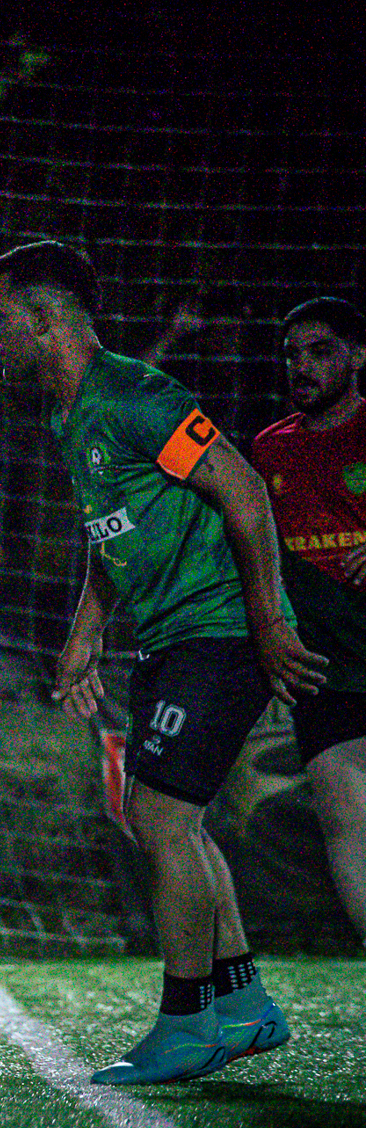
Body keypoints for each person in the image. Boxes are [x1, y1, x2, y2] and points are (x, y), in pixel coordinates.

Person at [0, 241, 325, 1085]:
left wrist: (265, 621)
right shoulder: (70, 417)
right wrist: (85, 631)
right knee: (173, 820)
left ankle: (186, 1022)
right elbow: (113, 534)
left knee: (160, 817)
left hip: (220, 631)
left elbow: (244, 491)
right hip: (170, 637)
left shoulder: (135, 395)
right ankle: (242, 1005)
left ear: (43, 320)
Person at [249, 296, 366, 942]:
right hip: (326, 665)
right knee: (345, 819)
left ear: (359, 356)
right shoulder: (269, 450)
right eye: (292, 354)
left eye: (321, 351)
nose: (302, 365)